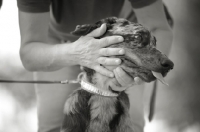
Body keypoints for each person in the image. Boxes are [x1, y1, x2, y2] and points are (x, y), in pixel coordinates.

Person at [17, 0, 172, 132]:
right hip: (56, 40)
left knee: (130, 123)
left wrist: (139, 71)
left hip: (131, 40)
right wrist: (74, 53)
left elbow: (158, 27)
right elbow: (29, 52)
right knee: (53, 124)